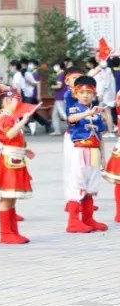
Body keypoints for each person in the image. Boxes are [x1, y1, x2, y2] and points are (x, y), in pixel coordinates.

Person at [62, 74, 109, 233]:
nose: (86, 95)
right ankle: (73, 221)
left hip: (94, 151)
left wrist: (103, 157)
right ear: (75, 93)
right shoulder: (75, 107)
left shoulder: (96, 113)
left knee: (92, 185)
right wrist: (88, 113)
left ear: (94, 94)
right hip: (80, 150)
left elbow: (100, 136)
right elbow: (71, 118)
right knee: (78, 183)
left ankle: (88, 218)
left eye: (89, 92)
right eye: (82, 92)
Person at [0, 88, 36, 244]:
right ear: (7, 101)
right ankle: (6, 233)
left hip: (14, 157)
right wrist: (24, 120)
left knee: (11, 197)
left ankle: (12, 231)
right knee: (6, 196)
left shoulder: (9, 117)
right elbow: (8, 135)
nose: (20, 103)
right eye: (17, 100)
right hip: (8, 161)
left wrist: (24, 150)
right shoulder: (6, 118)